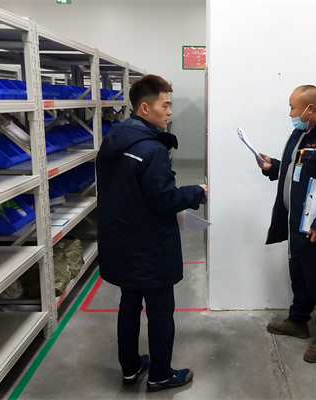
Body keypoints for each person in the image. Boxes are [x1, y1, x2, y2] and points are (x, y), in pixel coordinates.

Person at [96, 74, 207, 392]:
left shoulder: (114, 141)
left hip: (121, 242)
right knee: (160, 311)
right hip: (150, 246)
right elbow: (165, 200)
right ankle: (160, 375)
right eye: (165, 105)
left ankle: (130, 366)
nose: (169, 112)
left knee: (129, 304)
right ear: (145, 108)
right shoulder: (151, 149)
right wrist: (197, 191)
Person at [257, 85, 316, 363]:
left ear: (310, 108)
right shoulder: (303, 133)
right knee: (299, 273)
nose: (290, 114)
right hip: (297, 220)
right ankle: (299, 321)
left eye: (293, 108)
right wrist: (274, 167)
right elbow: (296, 168)